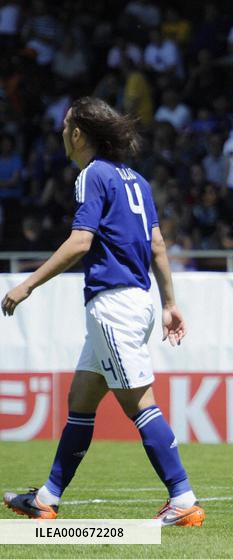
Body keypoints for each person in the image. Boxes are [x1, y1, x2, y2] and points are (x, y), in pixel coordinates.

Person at [1, 97, 203, 526]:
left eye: (65, 125)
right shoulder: (138, 181)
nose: (61, 133)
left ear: (78, 133)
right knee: (81, 399)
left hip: (112, 305)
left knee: (139, 404)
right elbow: (158, 244)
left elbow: (80, 241)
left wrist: (27, 284)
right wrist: (168, 303)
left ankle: (183, 498)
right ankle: (46, 498)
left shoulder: (91, 175)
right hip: (136, 302)